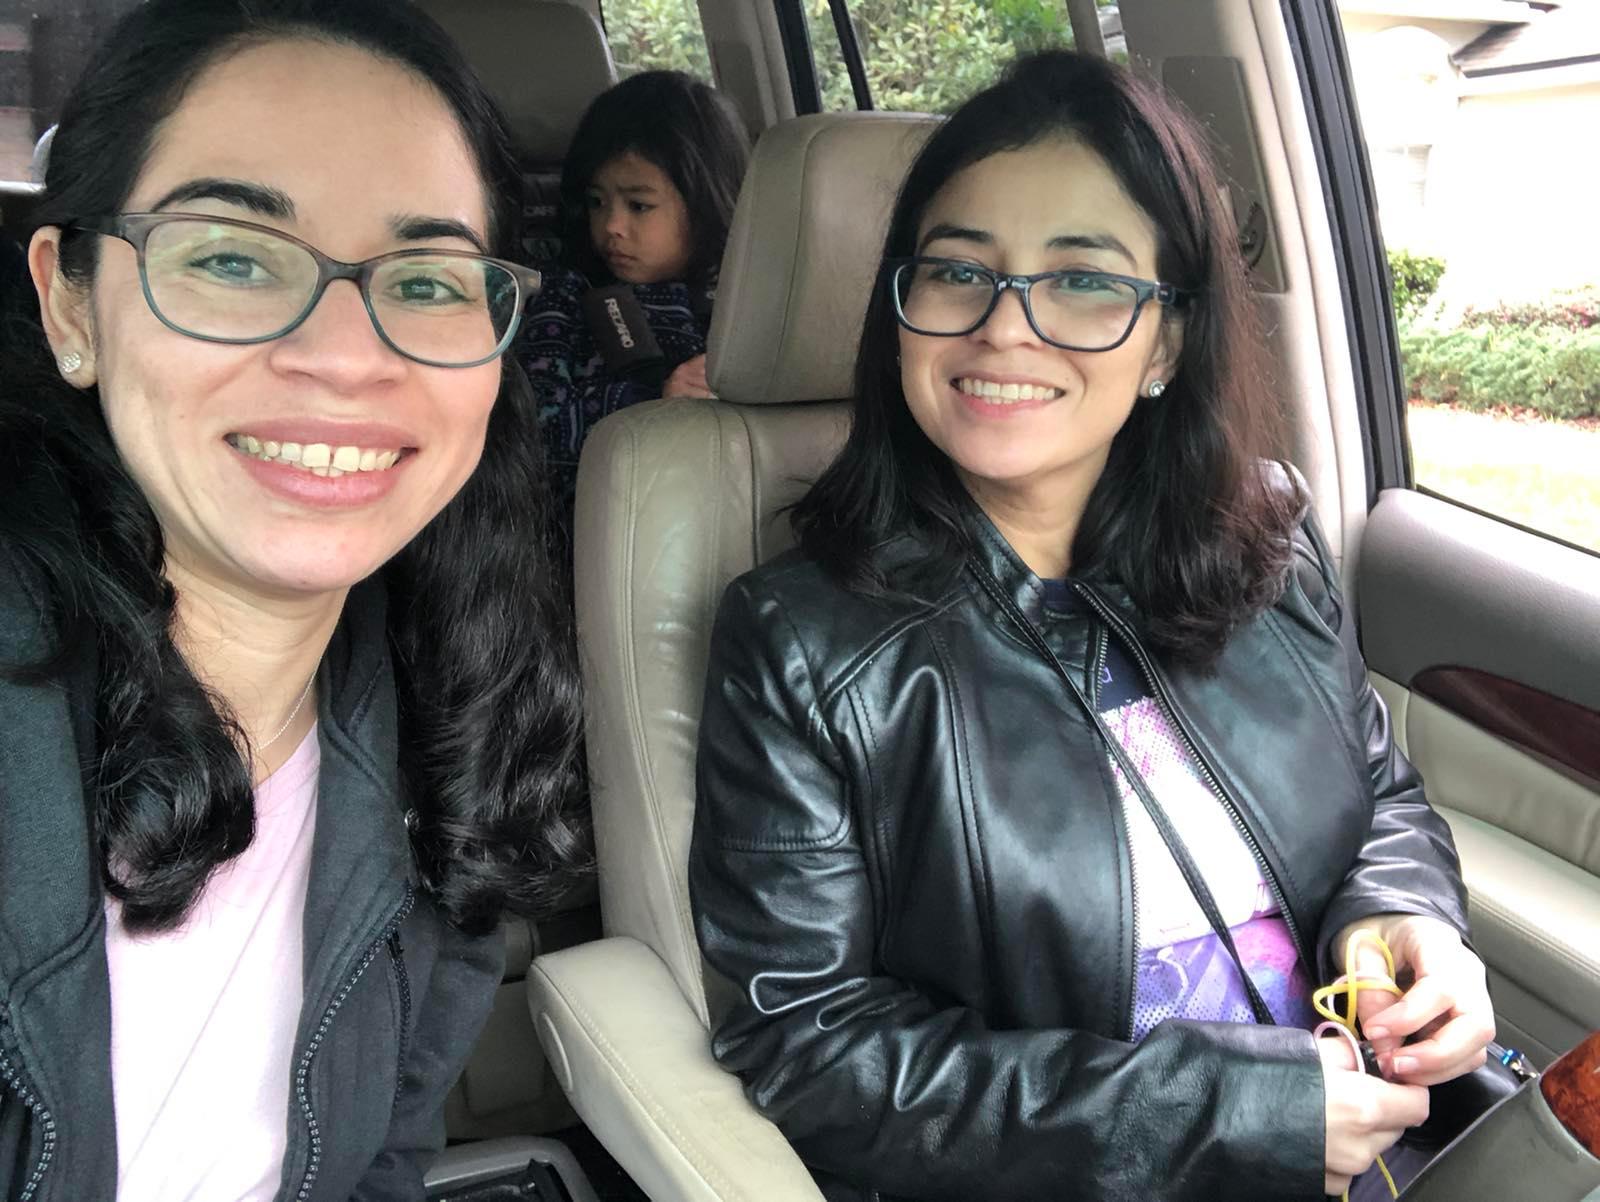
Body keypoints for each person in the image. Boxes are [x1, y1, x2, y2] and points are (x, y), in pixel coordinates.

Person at [689, 51, 1497, 1202]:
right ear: (900, 310)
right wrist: (1227, 1116)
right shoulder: (801, 642)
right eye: (957, 271)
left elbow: (1375, 793)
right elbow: (811, 1045)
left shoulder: (1265, 537)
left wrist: (1400, 921)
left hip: (1374, 1139)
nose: (1004, 328)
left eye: (1082, 280)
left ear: (1165, 342)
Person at [0, 1, 586, 1199]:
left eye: (425, 279)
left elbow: (383, 1160)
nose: (346, 356)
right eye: (230, 256)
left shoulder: (451, 730)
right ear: (70, 305)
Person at [518, 69, 749, 535]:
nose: (612, 226)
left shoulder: (750, 300)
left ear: (704, 202)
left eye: (639, 206)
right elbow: (537, 431)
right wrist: (655, 405)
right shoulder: (563, 297)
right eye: (597, 202)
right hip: (599, 528)